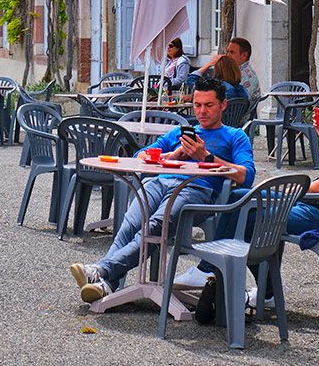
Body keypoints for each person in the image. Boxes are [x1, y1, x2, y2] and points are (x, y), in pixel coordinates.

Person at [178, 79, 319, 306]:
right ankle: (232, 278)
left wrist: (286, 191)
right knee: (241, 196)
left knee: (249, 218)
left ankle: (234, 279)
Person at [69, 77, 256, 303]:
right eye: (197, 105)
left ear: (223, 105)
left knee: (157, 225)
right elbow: (141, 155)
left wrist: (205, 157)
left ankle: (103, 270)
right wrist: (172, 155)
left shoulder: (235, 136)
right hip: (159, 183)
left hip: (195, 189)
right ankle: (107, 283)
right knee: (130, 223)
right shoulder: (182, 132)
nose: (202, 111)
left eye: (209, 105)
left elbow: (246, 176)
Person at [195, 37, 260, 100]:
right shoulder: (234, 71)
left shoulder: (248, 76)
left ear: (244, 55)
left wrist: (208, 65)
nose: (227, 55)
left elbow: (237, 101)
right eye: (227, 52)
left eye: (232, 52)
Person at [182, 55, 249, 100]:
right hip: (234, 120)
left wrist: (208, 64)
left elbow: (190, 81)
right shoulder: (242, 90)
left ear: (217, 70)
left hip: (213, 120)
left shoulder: (216, 87)